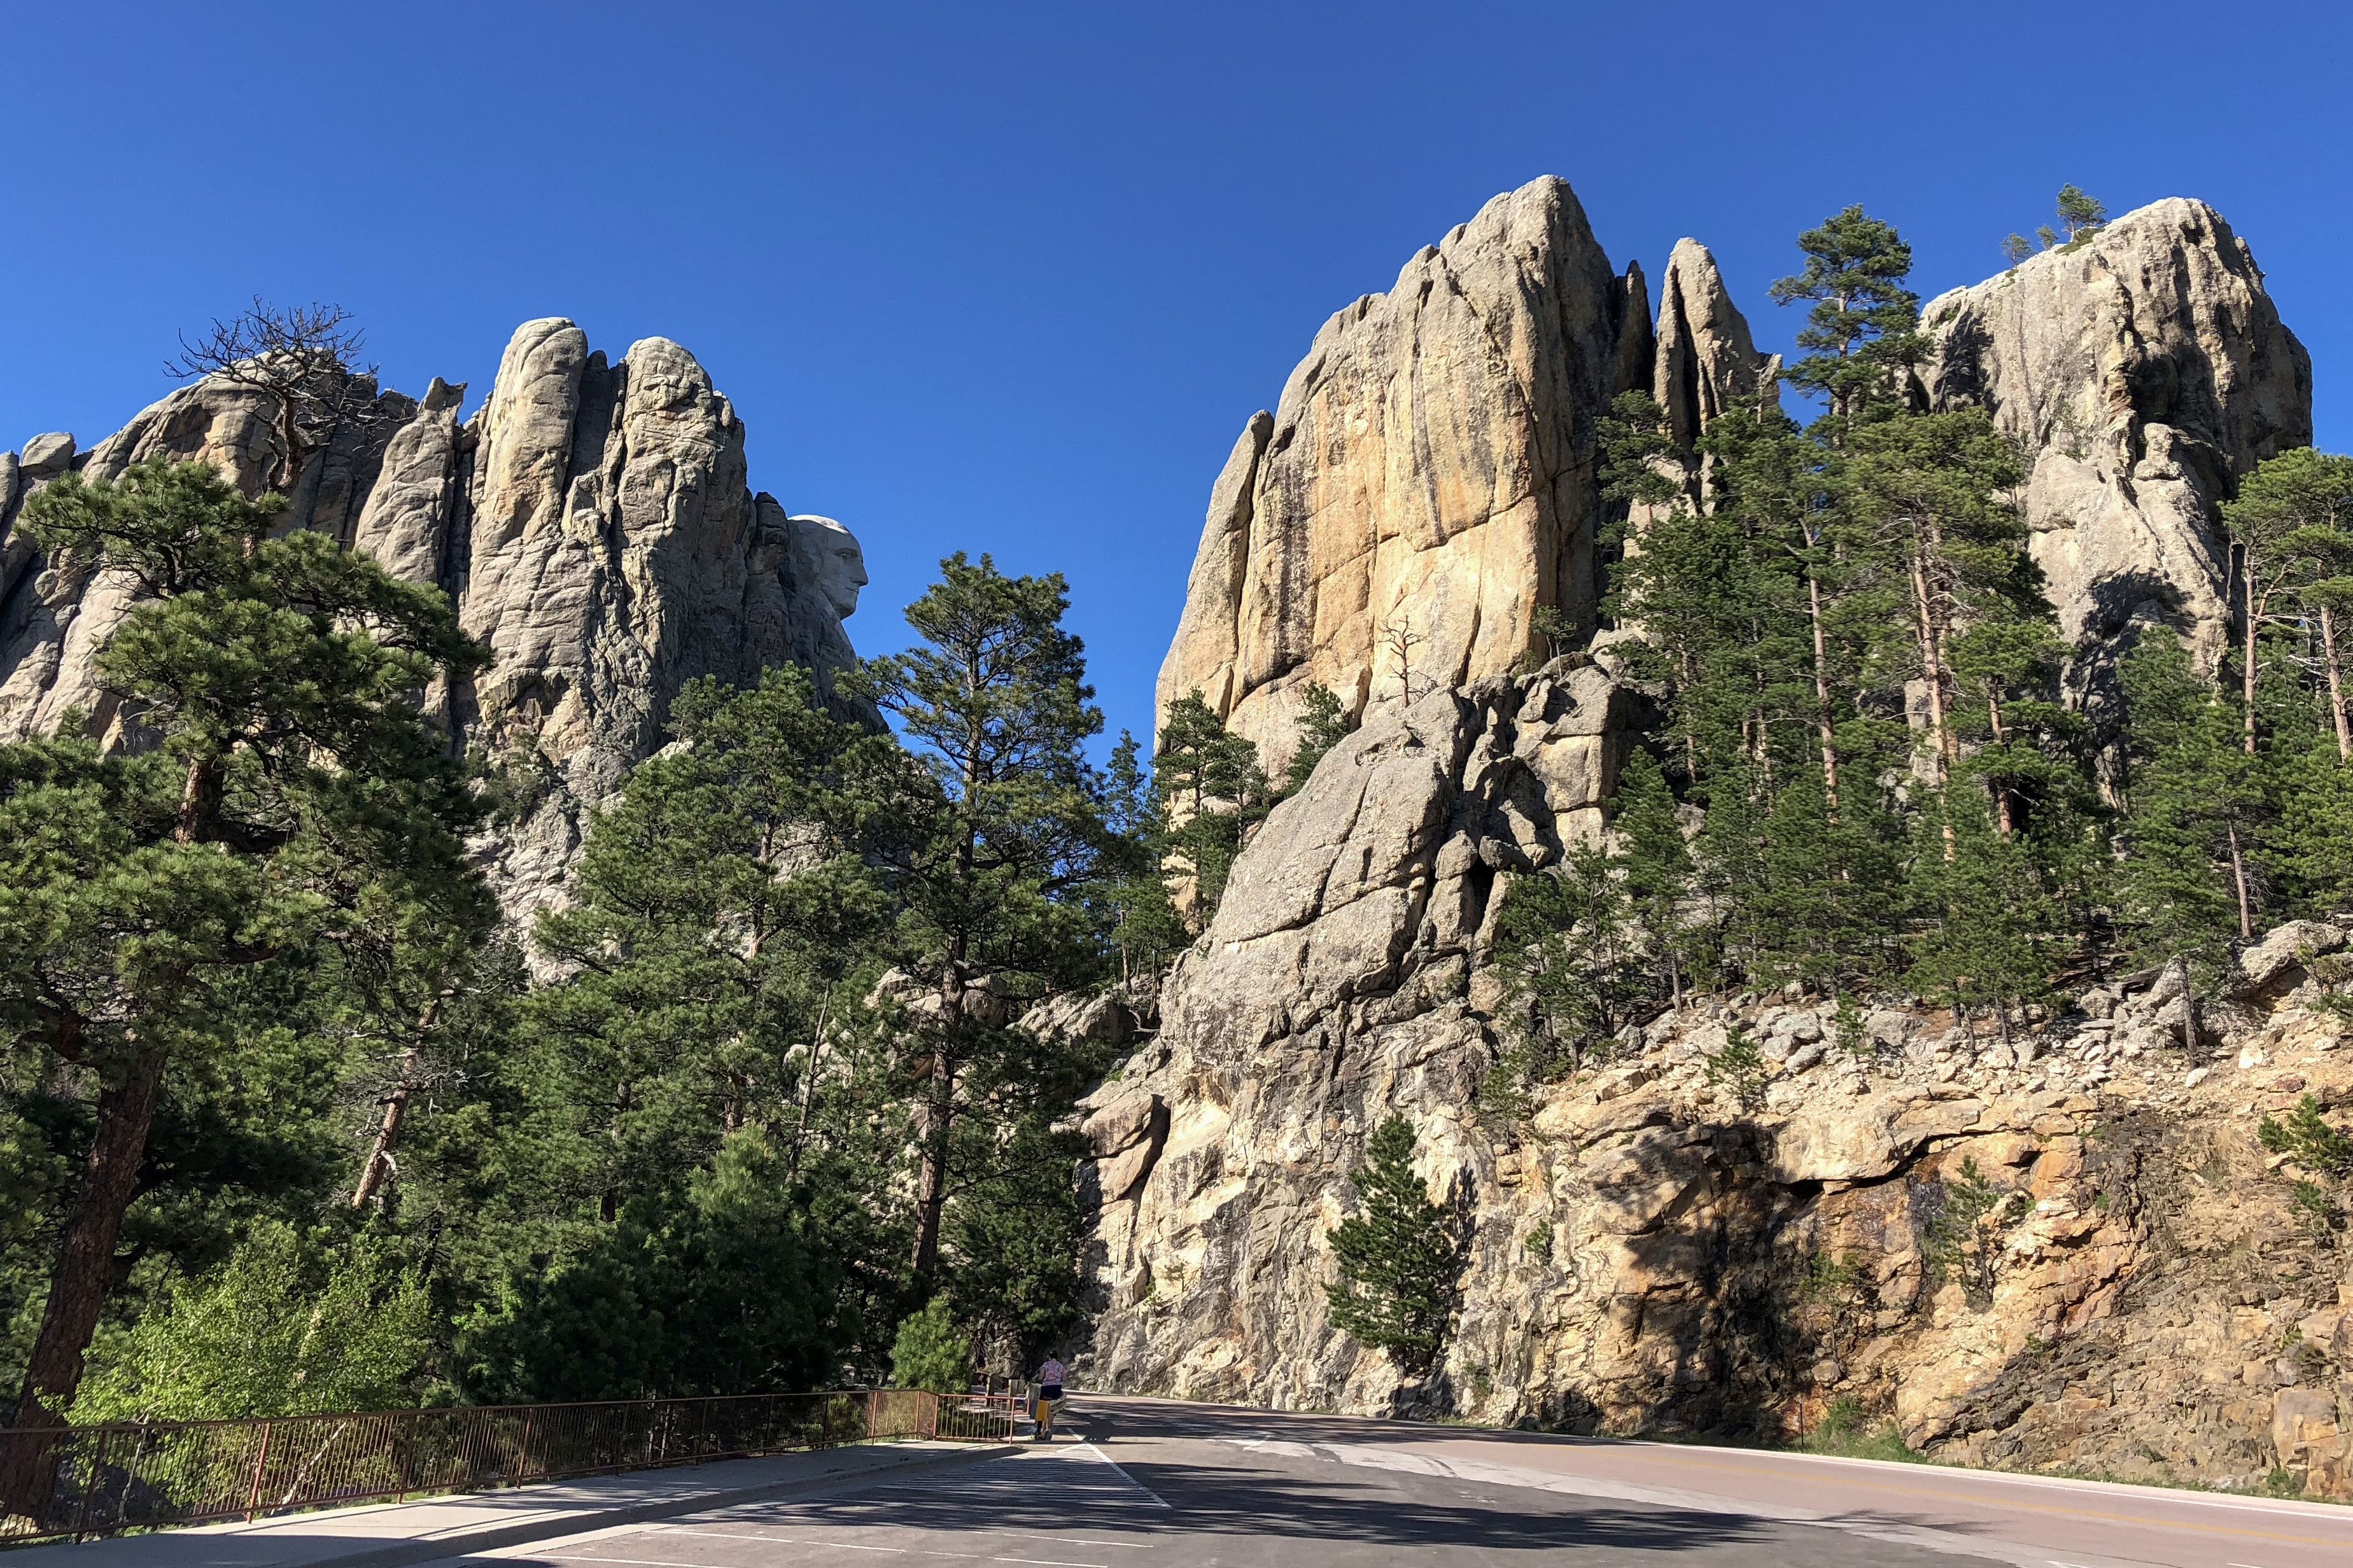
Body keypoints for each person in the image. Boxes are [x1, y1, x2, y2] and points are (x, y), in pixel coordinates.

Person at [1034, 1355, 1066, 1441]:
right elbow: (1064, 1378)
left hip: (1046, 1388)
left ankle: (1039, 1428)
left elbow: (1041, 1377)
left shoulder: (1046, 1365)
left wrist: (1044, 1378)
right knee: (1052, 1409)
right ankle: (1049, 1429)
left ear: (1049, 1358)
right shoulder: (1060, 1366)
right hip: (1056, 1389)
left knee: (1042, 1406)